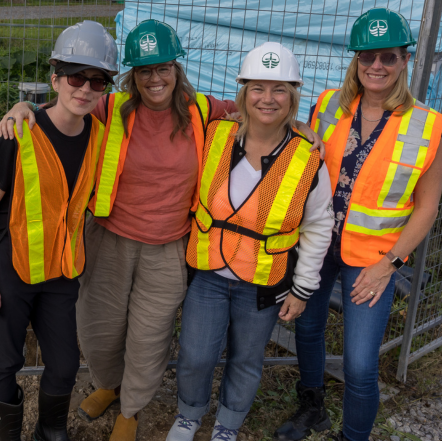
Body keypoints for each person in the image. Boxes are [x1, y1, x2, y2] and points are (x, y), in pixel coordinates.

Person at [1, 21, 324, 441]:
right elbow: (66, 110)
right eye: (144, 70)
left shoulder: (203, 111)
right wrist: (20, 109)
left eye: (163, 68)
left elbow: (260, 112)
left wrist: (297, 128)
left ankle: (131, 409)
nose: (155, 79)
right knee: (100, 329)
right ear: (132, 76)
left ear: (177, 69)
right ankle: (107, 386)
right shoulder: (110, 108)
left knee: (149, 337)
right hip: (109, 240)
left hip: (168, 247)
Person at [274, 8, 442, 441]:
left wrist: (390, 262)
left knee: (361, 365)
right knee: (308, 329)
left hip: (373, 259)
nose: (377, 67)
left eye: (387, 57)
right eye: (366, 57)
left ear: (404, 59)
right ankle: (313, 407)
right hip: (317, 245)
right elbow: (306, 157)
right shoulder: (329, 104)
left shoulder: (427, 125)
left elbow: (427, 208)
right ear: (355, 61)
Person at [165, 41, 334, 441]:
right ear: (243, 93)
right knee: (196, 354)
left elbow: (317, 227)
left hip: (263, 281)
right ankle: (188, 416)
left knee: (246, 360)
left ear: (293, 97)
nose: (267, 98)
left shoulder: (307, 157)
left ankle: (227, 425)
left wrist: (303, 287)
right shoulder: (214, 134)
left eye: (279, 90)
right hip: (208, 272)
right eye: (257, 88)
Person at [0, 21, 118, 441]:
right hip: (10, 270)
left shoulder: (102, 137)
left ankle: (50, 430)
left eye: (97, 80)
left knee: (65, 364)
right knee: (3, 362)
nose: (85, 89)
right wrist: (20, 107)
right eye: (75, 77)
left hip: (62, 273)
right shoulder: (18, 131)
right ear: (54, 79)